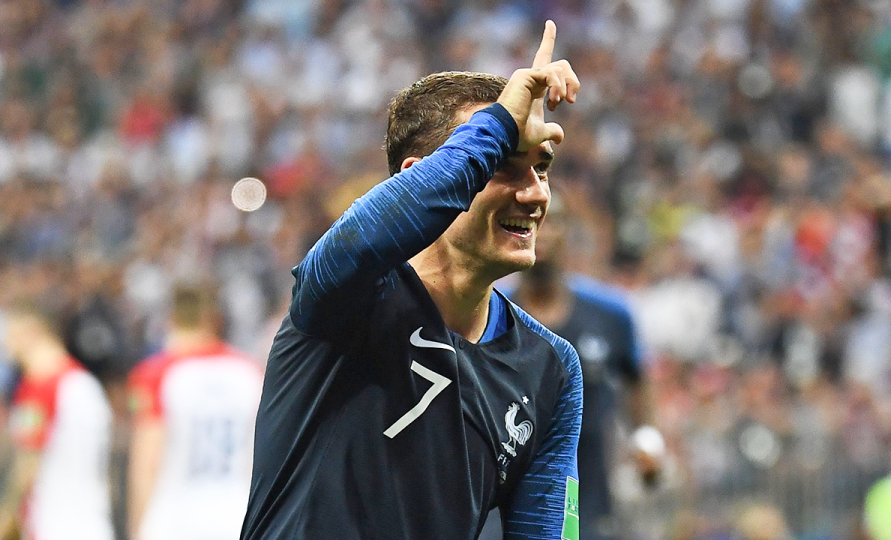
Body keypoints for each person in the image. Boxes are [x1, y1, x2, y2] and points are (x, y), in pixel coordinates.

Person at [241, 21, 583, 540]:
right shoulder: (349, 292)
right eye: (505, 167)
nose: (535, 195)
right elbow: (361, 241)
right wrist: (498, 127)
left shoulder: (551, 370)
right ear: (423, 173)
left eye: (543, 169)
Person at [506, 198, 656, 540]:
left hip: (588, 494)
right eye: (532, 222)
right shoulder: (493, 312)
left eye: (551, 222)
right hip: (509, 494)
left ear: (568, 234)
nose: (542, 233)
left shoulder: (611, 314)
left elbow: (636, 379)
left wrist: (647, 438)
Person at [127, 284, 263, 540]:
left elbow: (147, 459)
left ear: (172, 318)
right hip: (236, 516)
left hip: (174, 518)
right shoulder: (251, 372)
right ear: (216, 320)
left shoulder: (154, 374)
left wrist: (136, 526)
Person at [0, 302, 114, 540]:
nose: (7, 344)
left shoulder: (40, 388)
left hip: (51, 523)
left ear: (31, 330)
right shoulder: (87, 384)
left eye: (11, 334)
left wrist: (7, 518)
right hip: (93, 524)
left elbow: (27, 463)